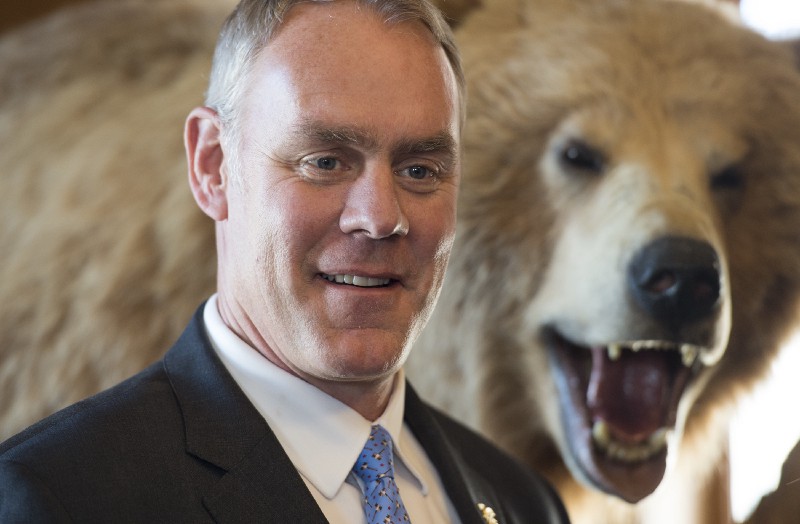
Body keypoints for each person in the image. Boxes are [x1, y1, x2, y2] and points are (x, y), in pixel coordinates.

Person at [0, 0, 570, 522]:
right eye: (325, 161)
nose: (378, 218)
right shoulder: (60, 497)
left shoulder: (524, 502)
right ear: (212, 165)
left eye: (419, 169)